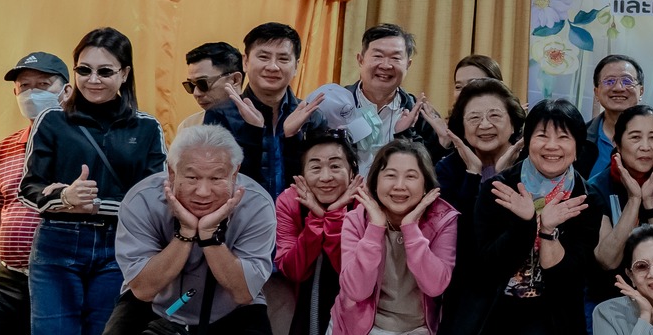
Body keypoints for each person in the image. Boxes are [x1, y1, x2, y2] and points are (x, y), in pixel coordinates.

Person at [21, 28, 167, 335]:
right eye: (84, 70)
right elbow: (28, 188)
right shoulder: (52, 120)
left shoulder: (146, 127)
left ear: (124, 73)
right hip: (57, 242)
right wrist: (63, 198)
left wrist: (95, 203)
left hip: (119, 247)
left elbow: (156, 198)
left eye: (105, 71)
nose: (93, 80)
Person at [108, 123, 276, 335]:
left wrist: (209, 237)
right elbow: (143, 289)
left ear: (235, 174)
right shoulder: (142, 199)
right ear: (171, 172)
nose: (203, 192)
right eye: (192, 177)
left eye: (217, 178)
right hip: (158, 303)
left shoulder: (256, 204)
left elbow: (244, 292)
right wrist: (185, 233)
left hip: (231, 307)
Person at [477, 99, 603, 335]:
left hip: (550, 311)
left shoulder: (586, 199)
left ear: (577, 146)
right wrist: (524, 224)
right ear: (527, 140)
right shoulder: (499, 188)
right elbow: (487, 265)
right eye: (542, 135)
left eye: (563, 137)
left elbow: (568, 275)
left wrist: (546, 230)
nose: (552, 146)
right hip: (492, 309)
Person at [330, 141, 455, 335]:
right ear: (375, 181)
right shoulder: (357, 219)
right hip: (357, 326)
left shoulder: (443, 219)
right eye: (390, 175)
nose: (399, 186)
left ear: (426, 184)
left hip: (414, 329)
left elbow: (435, 286)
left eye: (411, 176)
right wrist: (375, 228)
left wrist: (411, 229)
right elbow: (356, 291)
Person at [0, 52, 68, 335]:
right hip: (10, 278)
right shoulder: (4, 149)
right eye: (25, 86)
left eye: (43, 84)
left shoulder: (80, 144)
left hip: (61, 279)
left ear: (66, 91)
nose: (32, 93)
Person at [284, 24, 442, 172]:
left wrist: (409, 134)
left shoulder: (421, 116)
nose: (386, 65)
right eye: (378, 56)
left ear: (408, 64)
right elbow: (306, 163)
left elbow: (431, 172)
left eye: (395, 58)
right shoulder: (333, 104)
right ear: (360, 60)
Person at [274, 128, 358, 335]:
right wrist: (317, 219)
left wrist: (333, 216)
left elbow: (349, 270)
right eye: (315, 167)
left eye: (335, 166)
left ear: (352, 171)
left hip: (360, 303)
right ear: (301, 174)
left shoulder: (365, 202)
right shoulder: (289, 201)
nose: (325, 177)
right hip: (302, 301)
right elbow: (293, 269)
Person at [205, 23, 305, 199]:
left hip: (296, 214)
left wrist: (293, 139)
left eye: (283, 59)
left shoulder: (310, 115)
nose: (273, 67)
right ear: (245, 62)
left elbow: (315, 180)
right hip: (241, 212)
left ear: (296, 66)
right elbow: (215, 176)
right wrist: (252, 132)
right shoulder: (221, 114)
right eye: (264, 57)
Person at [593, 105, 653, 274]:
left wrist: (650, 202)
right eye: (635, 137)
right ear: (617, 143)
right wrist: (634, 200)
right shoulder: (598, 187)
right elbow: (608, 260)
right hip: (615, 284)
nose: (645, 147)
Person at [438, 79, 525, 209]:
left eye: (494, 115)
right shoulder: (447, 169)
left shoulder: (530, 163)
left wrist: (504, 175)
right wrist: (472, 174)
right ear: (462, 128)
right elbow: (456, 222)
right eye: (474, 117)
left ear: (513, 123)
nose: (485, 125)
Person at [589, 55, 648, 158]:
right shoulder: (579, 137)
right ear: (596, 92)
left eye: (627, 81)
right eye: (609, 81)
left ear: (641, 91)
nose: (618, 88)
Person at [177, 43, 244, 131]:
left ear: (235, 80)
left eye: (202, 84)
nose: (196, 93)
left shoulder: (259, 124)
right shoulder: (189, 127)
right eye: (190, 85)